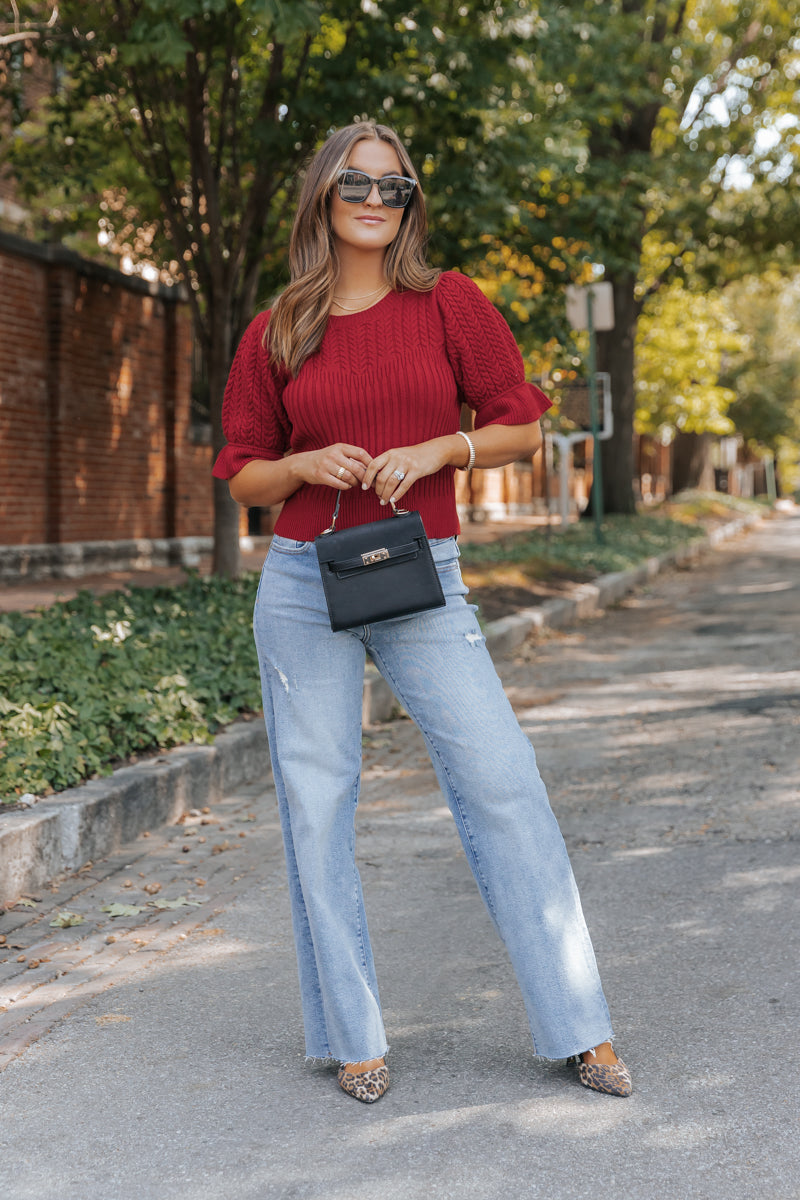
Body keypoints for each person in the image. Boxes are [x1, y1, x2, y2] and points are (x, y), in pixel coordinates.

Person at [213, 121, 632, 1105]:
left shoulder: (448, 304)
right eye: (354, 182)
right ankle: (351, 1036)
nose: (373, 198)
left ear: (408, 204)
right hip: (300, 578)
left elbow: (522, 426)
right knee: (316, 807)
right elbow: (240, 475)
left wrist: (446, 450)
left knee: (503, 784)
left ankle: (579, 1022)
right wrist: (304, 466)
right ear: (322, 194)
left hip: (420, 573)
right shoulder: (277, 328)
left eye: (393, 186)